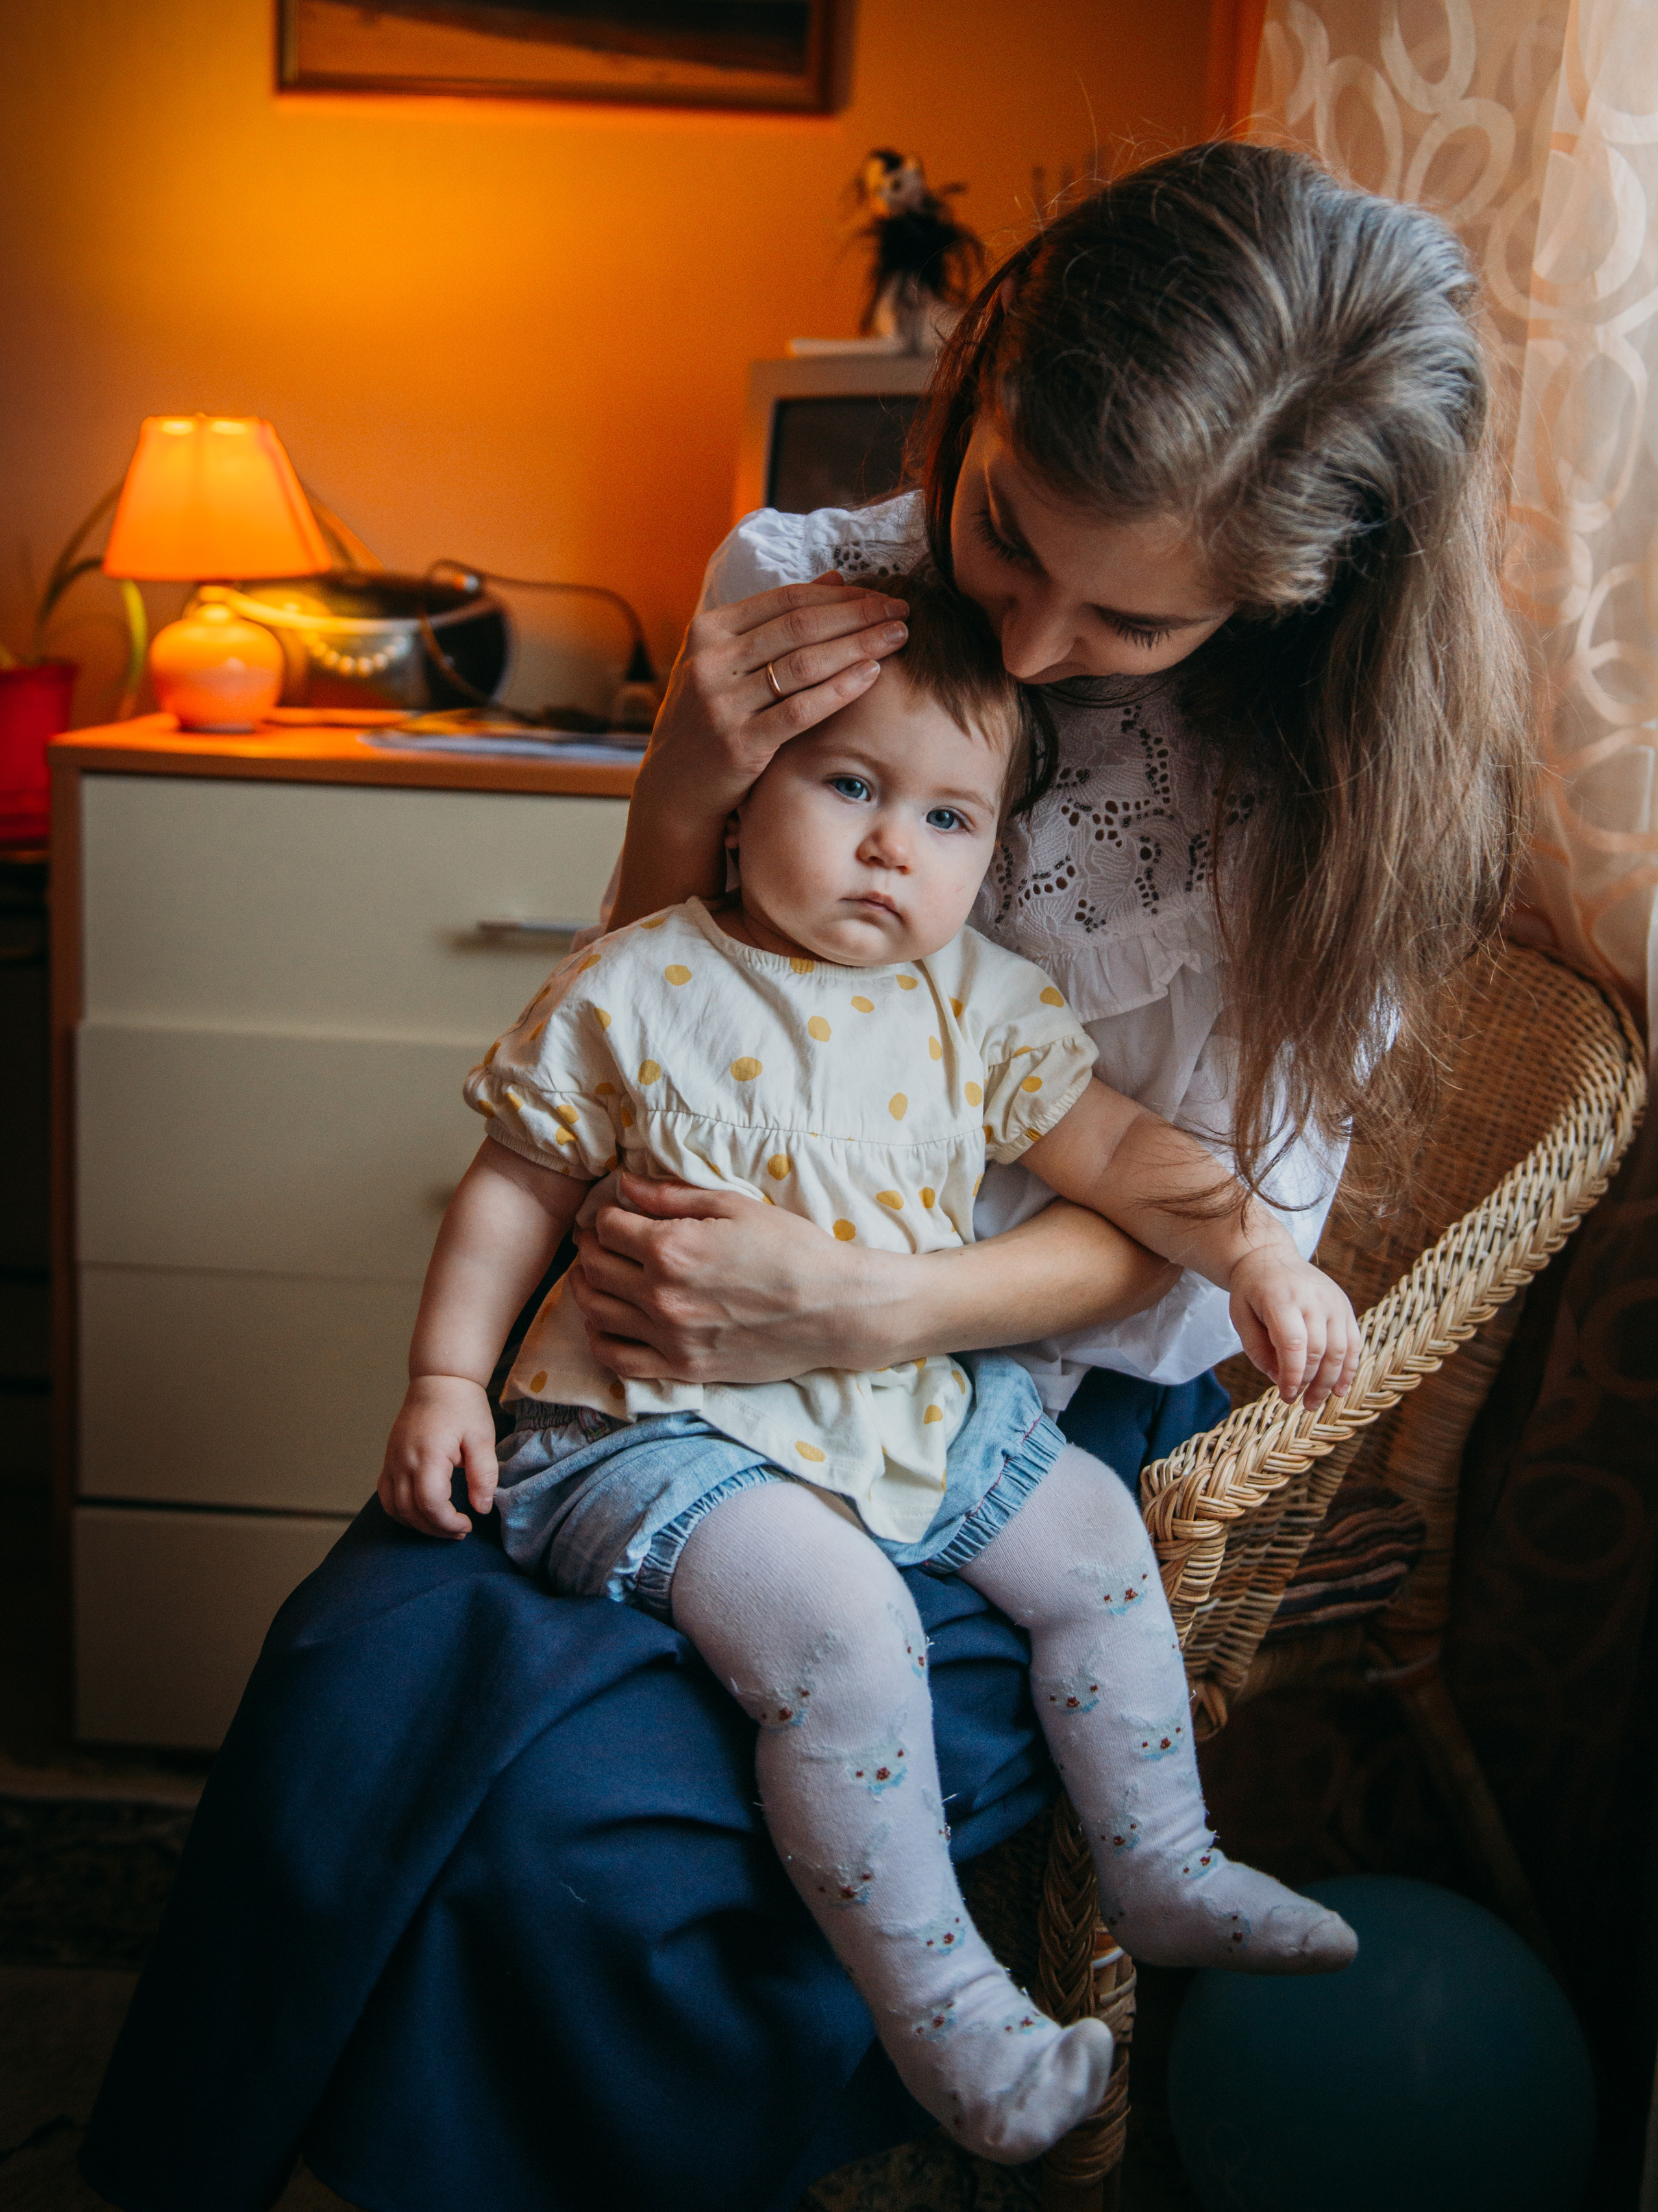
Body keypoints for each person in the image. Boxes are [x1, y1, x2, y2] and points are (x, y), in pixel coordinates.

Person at [81, 143, 1530, 2212]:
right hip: (667, 1371)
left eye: (1132, 616)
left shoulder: (1325, 792)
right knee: (360, 1691)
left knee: (590, 1844)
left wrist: (873, 1307)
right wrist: (689, 768)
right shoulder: (806, 577)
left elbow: (1189, 1208)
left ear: (1292, 598)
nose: (1031, 643)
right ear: (993, 372)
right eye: (1006, 531)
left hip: (1036, 1381)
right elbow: (651, 1017)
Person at [377, 573, 1363, 2165]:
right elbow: (515, 1186)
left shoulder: (979, 1005)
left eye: (948, 818)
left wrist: (1256, 1254)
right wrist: (442, 1377)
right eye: (849, 787)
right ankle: (948, 2022)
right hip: (654, 1426)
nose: (893, 846)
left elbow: (1122, 1153)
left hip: (896, 1398)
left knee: (1094, 1540)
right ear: (745, 796)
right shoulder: (641, 981)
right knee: (843, 1633)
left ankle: (1163, 1865)